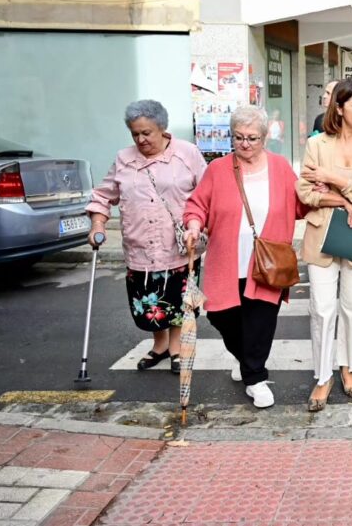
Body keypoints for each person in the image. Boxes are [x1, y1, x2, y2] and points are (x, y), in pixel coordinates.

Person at [183, 105, 308, 408]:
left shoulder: (279, 168)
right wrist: (194, 225)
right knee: (220, 315)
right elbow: (197, 204)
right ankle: (245, 359)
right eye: (238, 137)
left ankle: (256, 379)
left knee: (259, 321)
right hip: (226, 260)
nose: (245, 144)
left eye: (252, 138)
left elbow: (302, 205)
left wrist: (324, 195)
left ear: (265, 138)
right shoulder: (218, 169)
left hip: (267, 262)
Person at [87, 100, 208, 374]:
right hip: (140, 247)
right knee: (149, 305)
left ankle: (176, 348)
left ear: (162, 129)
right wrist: (98, 224)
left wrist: (200, 225)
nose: (140, 139)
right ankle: (160, 345)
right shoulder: (124, 159)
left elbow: (207, 193)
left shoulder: (187, 154)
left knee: (179, 302)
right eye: (135, 134)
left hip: (179, 245)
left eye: (146, 133)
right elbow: (103, 195)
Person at [296, 81, 352, 411]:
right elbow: (306, 193)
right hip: (322, 233)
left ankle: (349, 367)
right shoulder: (317, 145)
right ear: (339, 108)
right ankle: (323, 376)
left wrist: (330, 178)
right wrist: (345, 201)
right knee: (321, 309)